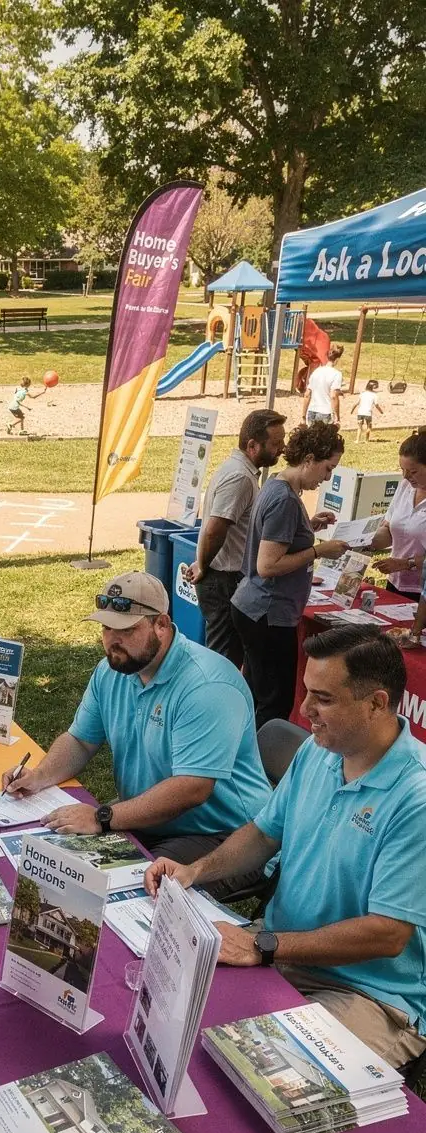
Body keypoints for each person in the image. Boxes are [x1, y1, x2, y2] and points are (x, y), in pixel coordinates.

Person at [145, 626, 426, 1069]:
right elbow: (263, 834)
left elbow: (388, 934)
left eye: (325, 699)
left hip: (368, 992)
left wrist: (266, 946)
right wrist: (194, 871)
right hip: (282, 948)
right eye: (307, 691)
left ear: (377, 703)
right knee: (170, 1005)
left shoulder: (417, 797)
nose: (305, 709)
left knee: (270, 1074)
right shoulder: (320, 751)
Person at [0, 571, 271, 895]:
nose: (112, 639)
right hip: (150, 816)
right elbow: (80, 740)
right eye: (106, 627)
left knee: (136, 893)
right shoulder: (113, 669)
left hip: (227, 835)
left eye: (126, 629)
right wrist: (39, 776)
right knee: (58, 861)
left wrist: (102, 817)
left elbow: (191, 789)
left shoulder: (207, 686)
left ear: (161, 624)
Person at [231, 422, 348, 728]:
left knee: (256, 693)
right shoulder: (284, 498)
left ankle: (244, 758)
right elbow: (267, 566)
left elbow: (276, 535)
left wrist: (307, 526)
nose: (327, 477)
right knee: (274, 702)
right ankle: (261, 769)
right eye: (327, 468)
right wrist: (318, 551)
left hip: (254, 607)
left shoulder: (277, 485)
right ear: (308, 459)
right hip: (268, 612)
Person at [187, 409, 287, 666]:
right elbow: (214, 529)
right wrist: (204, 564)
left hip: (223, 577)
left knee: (228, 654)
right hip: (224, 580)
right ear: (253, 445)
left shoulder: (239, 470)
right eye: (276, 443)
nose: (282, 449)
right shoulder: (241, 477)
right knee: (223, 658)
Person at [369, 431, 426, 597]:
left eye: (413, 471)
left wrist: (405, 564)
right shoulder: (405, 487)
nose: (406, 477)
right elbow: (389, 529)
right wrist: (363, 541)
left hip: (421, 591)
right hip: (396, 583)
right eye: (402, 469)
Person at [302, 343, 345, 423]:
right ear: (337, 359)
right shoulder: (336, 374)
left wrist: (303, 415)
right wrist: (337, 417)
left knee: (311, 435)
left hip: (312, 411)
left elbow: (307, 394)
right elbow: (333, 396)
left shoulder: (317, 371)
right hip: (326, 411)